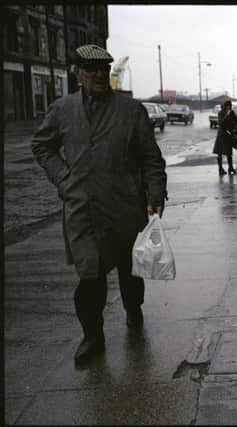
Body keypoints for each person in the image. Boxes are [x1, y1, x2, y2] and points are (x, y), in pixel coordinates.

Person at [31, 44, 167, 366]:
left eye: (104, 69)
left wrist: (155, 195)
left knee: (128, 272)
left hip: (124, 208)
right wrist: (64, 179)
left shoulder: (131, 110)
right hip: (82, 211)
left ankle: (133, 309)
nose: (99, 75)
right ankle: (93, 337)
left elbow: (151, 158)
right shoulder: (62, 109)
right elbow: (42, 146)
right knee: (89, 276)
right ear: (77, 72)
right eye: (91, 69)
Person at [212, 99, 237, 176]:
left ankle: (230, 167)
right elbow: (221, 123)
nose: (228, 107)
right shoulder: (221, 113)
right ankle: (220, 168)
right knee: (220, 152)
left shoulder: (232, 112)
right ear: (224, 106)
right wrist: (227, 115)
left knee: (229, 152)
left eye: (229, 106)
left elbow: (236, 121)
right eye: (227, 106)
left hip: (229, 134)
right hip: (222, 134)